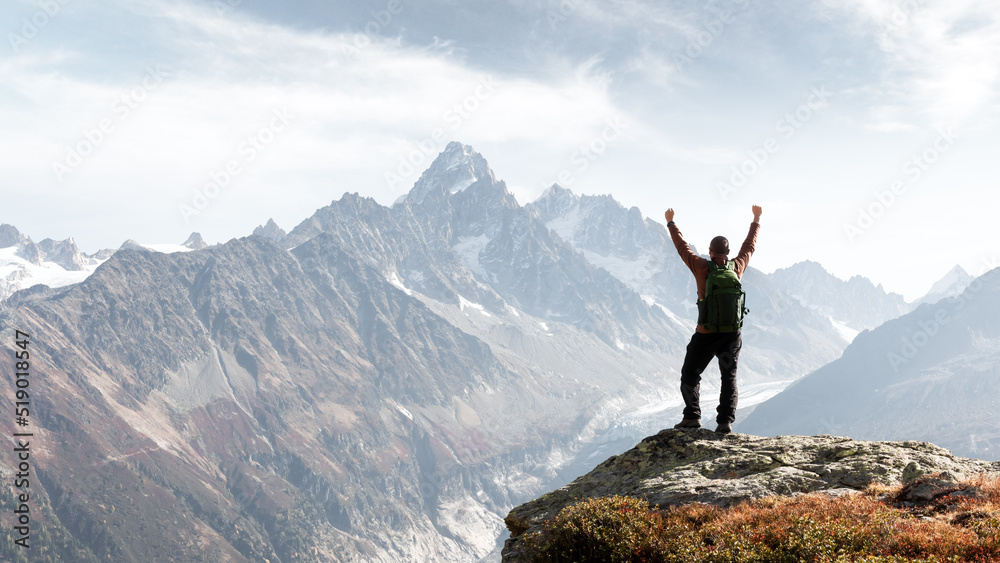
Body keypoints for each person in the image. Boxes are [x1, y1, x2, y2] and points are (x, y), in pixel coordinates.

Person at [664, 205, 761, 434]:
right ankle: (725, 422)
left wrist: (671, 223)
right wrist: (756, 219)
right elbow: (750, 246)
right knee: (729, 375)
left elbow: (682, 248)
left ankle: (692, 417)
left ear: (710, 251)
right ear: (728, 253)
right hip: (731, 334)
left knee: (690, 373)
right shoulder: (737, 267)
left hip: (706, 333)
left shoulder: (700, 266)